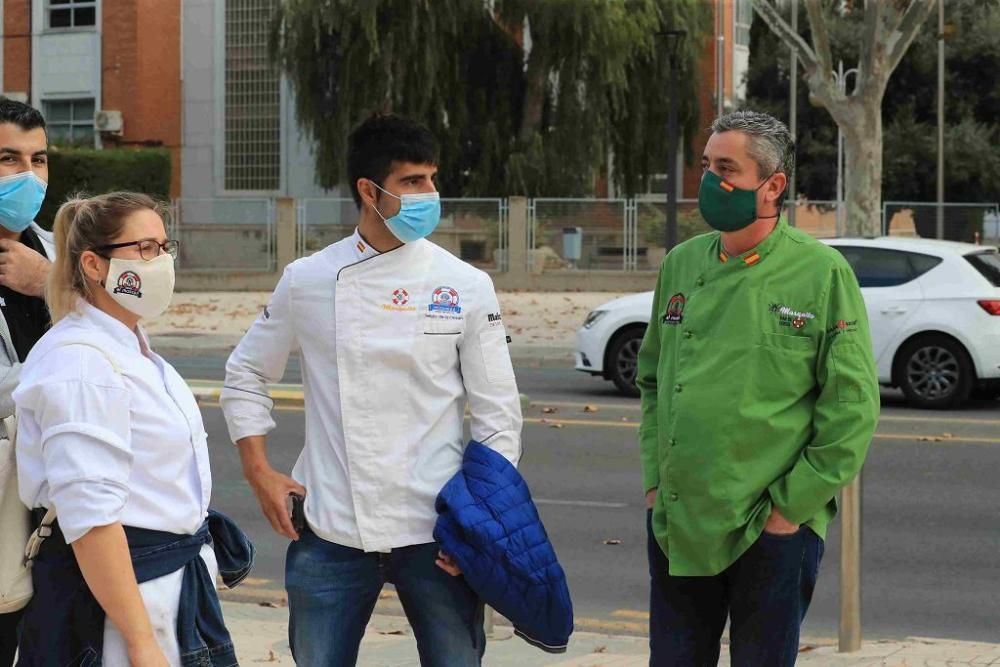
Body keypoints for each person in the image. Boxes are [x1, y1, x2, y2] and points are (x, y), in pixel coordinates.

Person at [221, 113, 522, 666]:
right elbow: (245, 376)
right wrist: (258, 471)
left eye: (433, 179)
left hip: (438, 532)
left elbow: (498, 415)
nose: (431, 194)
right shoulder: (308, 278)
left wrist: (479, 521)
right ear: (369, 190)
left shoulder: (465, 284)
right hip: (330, 527)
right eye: (413, 181)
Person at [637, 110, 879, 666]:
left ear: (772, 186)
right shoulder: (681, 264)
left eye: (727, 168)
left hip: (770, 529)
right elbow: (652, 380)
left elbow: (851, 409)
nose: (709, 181)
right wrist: (655, 482)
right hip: (679, 519)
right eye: (705, 166)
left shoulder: (821, 272)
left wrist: (789, 512)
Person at [13, 192, 251, 666]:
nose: (161, 261)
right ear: (94, 265)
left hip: (168, 591)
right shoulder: (80, 362)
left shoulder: (130, 347)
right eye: (144, 249)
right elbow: (92, 520)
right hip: (120, 611)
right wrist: (142, 644)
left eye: (164, 247)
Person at [0, 98, 53, 667]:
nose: (29, 176)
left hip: (61, 496)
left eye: (39, 159)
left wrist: (55, 286)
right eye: (9, 159)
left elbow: (126, 350)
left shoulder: (60, 252)